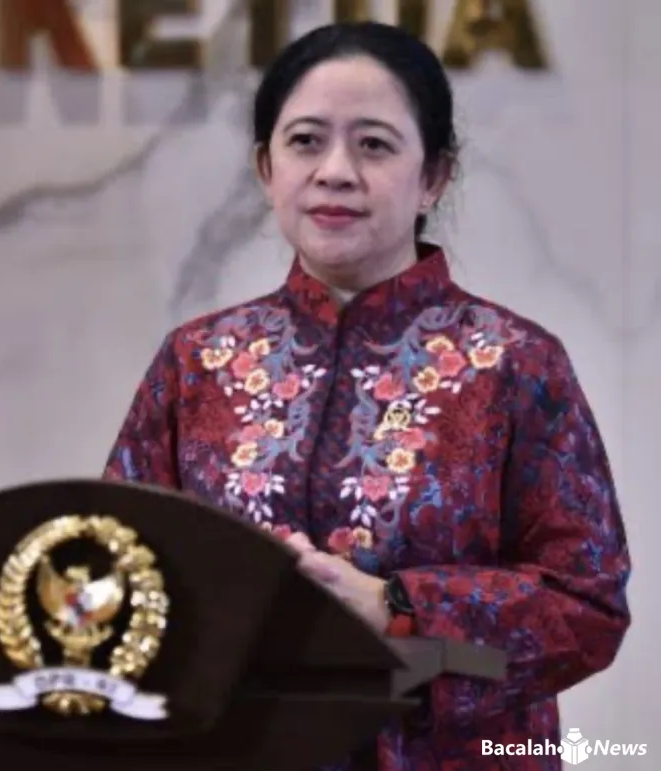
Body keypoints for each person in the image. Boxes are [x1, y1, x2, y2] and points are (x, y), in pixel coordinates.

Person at [103, 21, 631, 771]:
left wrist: (399, 607)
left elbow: (589, 607)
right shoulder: (197, 362)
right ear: (266, 168)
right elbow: (119, 564)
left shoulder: (515, 363)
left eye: (375, 145)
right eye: (305, 141)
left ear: (434, 176)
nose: (335, 172)